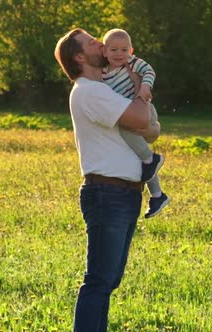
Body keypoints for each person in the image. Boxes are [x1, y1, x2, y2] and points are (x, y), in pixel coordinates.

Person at [54, 28, 160, 332]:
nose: (100, 43)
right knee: (99, 281)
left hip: (123, 193)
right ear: (79, 57)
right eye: (91, 42)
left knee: (108, 281)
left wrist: (144, 113)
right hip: (107, 193)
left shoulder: (109, 88)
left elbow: (152, 129)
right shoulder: (90, 90)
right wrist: (141, 83)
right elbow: (143, 121)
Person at [101, 28, 169, 218]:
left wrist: (145, 86)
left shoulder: (132, 63)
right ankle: (157, 195)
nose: (119, 54)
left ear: (131, 51)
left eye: (124, 50)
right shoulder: (103, 73)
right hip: (130, 112)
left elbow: (149, 71)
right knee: (141, 162)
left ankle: (152, 159)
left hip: (144, 110)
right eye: (114, 50)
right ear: (104, 51)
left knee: (128, 134)